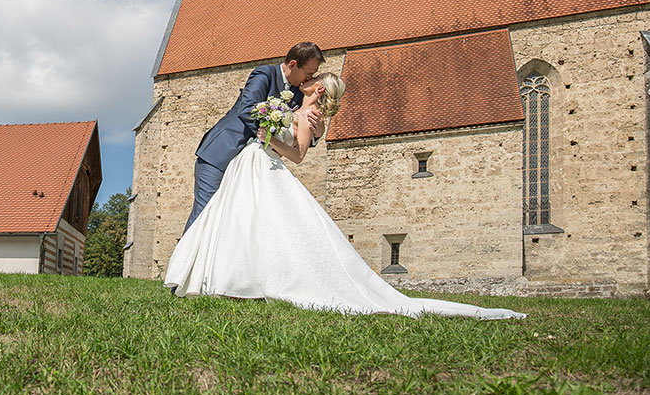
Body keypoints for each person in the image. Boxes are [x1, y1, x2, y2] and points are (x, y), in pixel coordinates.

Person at [165, 73, 526, 320]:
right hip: (251, 165)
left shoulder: (307, 117)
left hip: (265, 164)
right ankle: (225, 280)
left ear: (319, 91)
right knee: (238, 222)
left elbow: (298, 155)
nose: (308, 81)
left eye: (314, 81)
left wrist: (268, 137)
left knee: (268, 228)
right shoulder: (293, 108)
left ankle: (247, 283)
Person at [185, 42, 325, 231]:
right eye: (308, 73)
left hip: (251, 165)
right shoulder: (264, 74)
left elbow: (296, 129)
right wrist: (271, 136)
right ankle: (183, 261)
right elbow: (248, 109)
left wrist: (316, 133)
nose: (309, 78)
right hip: (220, 155)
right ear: (292, 64)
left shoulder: (298, 94)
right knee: (205, 216)